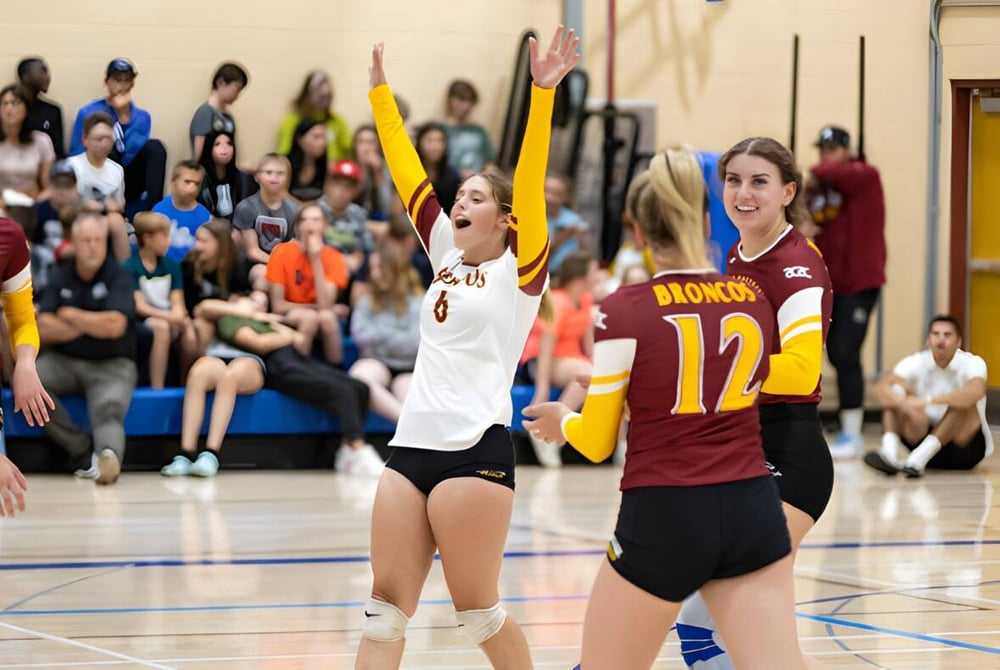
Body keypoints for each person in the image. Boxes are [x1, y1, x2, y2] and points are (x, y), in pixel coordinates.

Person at [522, 147, 805, 670]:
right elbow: (717, 393)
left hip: (664, 513)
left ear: (635, 230)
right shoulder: (751, 298)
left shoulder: (625, 308)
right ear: (701, 219)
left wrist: (566, 421)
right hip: (751, 507)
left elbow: (598, 441)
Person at [354, 28, 578, 670]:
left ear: (505, 219)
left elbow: (529, 181)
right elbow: (407, 176)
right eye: (460, 196)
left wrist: (541, 96)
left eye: (476, 197)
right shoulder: (445, 253)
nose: (459, 202)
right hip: (409, 448)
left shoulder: (522, 272)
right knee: (383, 608)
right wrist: (381, 102)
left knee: (477, 613)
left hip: (473, 450)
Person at [671, 136, 833, 670]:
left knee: (746, 617)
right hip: (746, 448)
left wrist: (717, 369)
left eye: (759, 181)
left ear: (788, 191)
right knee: (700, 628)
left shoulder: (796, 268)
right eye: (734, 180)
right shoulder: (739, 252)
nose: (743, 192)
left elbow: (803, 369)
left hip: (790, 454)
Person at [36, 212, 137, 485]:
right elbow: (43, 326)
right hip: (64, 361)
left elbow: (115, 326)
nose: (92, 246)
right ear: (74, 243)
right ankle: (80, 449)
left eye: (97, 240)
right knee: (31, 384)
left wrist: (70, 315)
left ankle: (108, 459)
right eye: (86, 240)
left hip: (112, 364)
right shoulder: (61, 273)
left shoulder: (119, 275)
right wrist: (93, 322)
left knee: (109, 409)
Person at [806, 125, 886, 458]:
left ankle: (852, 433)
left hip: (860, 282)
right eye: (821, 149)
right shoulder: (821, 188)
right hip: (830, 284)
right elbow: (812, 219)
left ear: (845, 149)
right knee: (826, 352)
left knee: (845, 351)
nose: (825, 156)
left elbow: (832, 172)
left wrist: (814, 171)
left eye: (831, 149)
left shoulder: (863, 175)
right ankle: (834, 425)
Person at [863, 315, 993, 477]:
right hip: (920, 435)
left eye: (947, 335)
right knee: (895, 391)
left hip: (963, 449)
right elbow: (879, 389)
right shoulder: (915, 361)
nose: (941, 340)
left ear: (958, 342)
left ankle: (919, 458)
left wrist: (926, 401)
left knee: (963, 403)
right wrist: (902, 403)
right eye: (936, 334)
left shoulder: (972, 363)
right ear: (928, 340)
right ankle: (889, 454)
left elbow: (975, 392)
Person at [519, 251, 598, 467]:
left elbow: (589, 343)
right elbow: (546, 350)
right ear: (580, 276)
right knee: (587, 373)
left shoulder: (585, 299)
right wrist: (542, 390)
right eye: (593, 271)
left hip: (570, 359)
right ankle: (552, 425)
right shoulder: (557, 301)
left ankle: (619, 447)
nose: (598, 276)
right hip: (540, 360)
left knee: (595, 376)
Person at [69, 58, 167, 218]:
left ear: (133, 83)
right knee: (107, 143)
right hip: (95, 173)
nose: (121, 86)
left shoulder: (142, 117)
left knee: (156, 148)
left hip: (126, 176)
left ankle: (153, 212)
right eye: (117, 80)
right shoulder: (88, 111)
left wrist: (123, 117)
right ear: (107, 82)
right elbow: (76, 151)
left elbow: (128, 156)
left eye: (126, 80)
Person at [348, 239, 423, 424]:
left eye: (379, 268)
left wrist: (380, 336)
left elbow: (415, 342)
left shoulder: (419, 300)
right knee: (359, 378)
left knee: (411, 397)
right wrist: (397, 334)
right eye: (372, 269)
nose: (374, 274)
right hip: (376, 361)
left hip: (408, 368)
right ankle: (406, 424)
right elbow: (360, 335)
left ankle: (411, 432)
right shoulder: (366, 300)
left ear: (395, 268)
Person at [265, 203, 348, 364]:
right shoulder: (281, 251)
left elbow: (325, 305)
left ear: (325, 226)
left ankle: (337, 370)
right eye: (305, 219)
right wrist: (315, 308)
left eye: (316, 220)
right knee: (310, 317)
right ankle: (298, 369)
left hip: (321, 313)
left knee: (327, 318)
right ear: (297, 226)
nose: (310, 224)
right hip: (290, 314)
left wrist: (315, 259)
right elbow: (278, 305)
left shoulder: (334, 257)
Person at [124, 212, 197, 388]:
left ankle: (186, 383)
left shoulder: (171, 266)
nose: (168, 241)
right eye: (164, 236)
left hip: (169, 316)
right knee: (161, 328)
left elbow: (178, 302)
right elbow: (140, 307)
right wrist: (173, 318)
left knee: (190, 331)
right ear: (148, 238)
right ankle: (158, 388)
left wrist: (179, 317)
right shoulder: (130, 266)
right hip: (145, 320)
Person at [65, 112, 130, 261]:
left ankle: (125, 275)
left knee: (116, 220)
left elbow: (119, 203)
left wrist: (116, 206)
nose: (103, 144)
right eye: (98, 139)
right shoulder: (71, 166)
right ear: (85, 140)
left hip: (105, 219)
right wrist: (101, 206)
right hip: (76, 216)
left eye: (108, 139)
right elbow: (65, 202)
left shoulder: (117, 170)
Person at [232, 153, 299, 293]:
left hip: (285, 263)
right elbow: (252, 251)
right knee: (262, 278)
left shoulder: (294, 210)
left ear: (287, 178)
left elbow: (293, 245)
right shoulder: (247, 207)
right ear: (257, 176)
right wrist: (277, 264)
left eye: (280, 173)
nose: (274, 177)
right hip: (257, 264)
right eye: (269, 172)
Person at [276, 71, 352, 162]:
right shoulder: (292, 120)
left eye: (327, 96)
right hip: (300, 171)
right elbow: (284, 152)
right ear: (307, 95)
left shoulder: (338, 121)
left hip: (333, 173)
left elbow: (349, 152)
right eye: (320, 95)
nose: (324, 100)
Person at [0, 84, 55, 202]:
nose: (9, 108)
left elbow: (49, 187)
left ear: (26, 109)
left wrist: (34, 204)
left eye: (15, 103)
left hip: (33, 203)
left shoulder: (42, 141)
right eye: (5, 103)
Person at [151, 160, 212, 262]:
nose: (192, 188)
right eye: (187, 182)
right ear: (173, 182)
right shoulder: (159, 210)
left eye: (196, 184)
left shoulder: (205, 217)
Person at [189, 62, 248, 160]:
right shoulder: (205, 112)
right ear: (220, 82)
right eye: (236, 89)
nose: (237, 95)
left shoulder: (228, 117)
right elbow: (198, 157)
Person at [196, 129, 257, 222]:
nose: (224, 148)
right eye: (217, 144)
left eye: (229, 143)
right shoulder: (201, 178)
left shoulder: (243, 178)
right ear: (209, 148)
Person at [443, 79, 496, 179]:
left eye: (471, 101)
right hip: (448, 183)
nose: (466, 106)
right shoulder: (440, 130)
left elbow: (489, 162)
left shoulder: (479, 131)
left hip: (476, 181)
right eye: (462, 100)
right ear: (451, 99)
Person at [17, 57, 65, 158]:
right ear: (25, 75)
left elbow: (58, 153)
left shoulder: (52, 111)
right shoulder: (8, 109)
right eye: (43, 70)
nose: (48, 77)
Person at [414, 122, 460, 215]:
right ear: (419, 143)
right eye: (430, 140)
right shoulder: (410, 173)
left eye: (440, 141)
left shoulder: (453, 176)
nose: (435, 147)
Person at [286, 119, 328, 202]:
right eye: (316, 137)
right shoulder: (284, 163)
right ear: (299, 139)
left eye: (324, 137)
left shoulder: (325, 167)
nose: (322, 142)